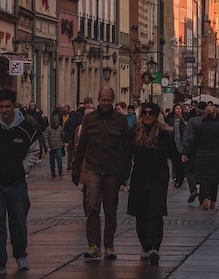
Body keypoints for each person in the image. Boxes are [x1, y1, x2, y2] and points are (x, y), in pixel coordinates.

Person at [0, 88, 41, 274]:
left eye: (8, 106)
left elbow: (34, 151)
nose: (4, 110)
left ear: (14, 106)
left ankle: (20, 255)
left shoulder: (26, 128)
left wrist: (23, 168)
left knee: (18, 222)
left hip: (17, 183)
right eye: (1, 106)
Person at [70, 87, 130, 260]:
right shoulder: (89, 119)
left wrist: (125, 171)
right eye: (103, 100)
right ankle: (94, 245)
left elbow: (127, 148)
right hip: (93, 170)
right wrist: (75, 170)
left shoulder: (120, 120)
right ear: (98, 100)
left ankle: (109, 245)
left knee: (111, 209)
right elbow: (81, 147)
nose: (105, 103)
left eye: (109, 100)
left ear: (113, 100)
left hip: (112, 171)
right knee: (92, 208)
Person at [125, 102, 179, 264]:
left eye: (151, 113)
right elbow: (127, 155)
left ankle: (155, 246)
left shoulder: (165, 134)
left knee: (156, 210)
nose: (147, 116)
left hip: (158, 175)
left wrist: (180, 172)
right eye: (145, 113)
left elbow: (174, 154)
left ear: (156, 115)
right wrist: (123, 174)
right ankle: (145, 246)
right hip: (140, 175)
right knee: (141, 212)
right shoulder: (134, 133)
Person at [191, 105, 219, 210]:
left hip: (203, 155)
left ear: (205, 114)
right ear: (215, 114)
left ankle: (205, 198)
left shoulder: (200, 126)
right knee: (214, 179)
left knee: (204, 179)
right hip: (215, 155)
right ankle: (213, 201)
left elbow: (195, 142)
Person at [168, 105, 187, 188]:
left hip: (182, 142)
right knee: (175, 161)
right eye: (177, 108)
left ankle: (181, 176)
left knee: (181, 161)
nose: (178, 110)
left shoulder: (184, 120)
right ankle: (176, 177)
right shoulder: (171, 120)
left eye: (180, 108)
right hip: (173, 142)